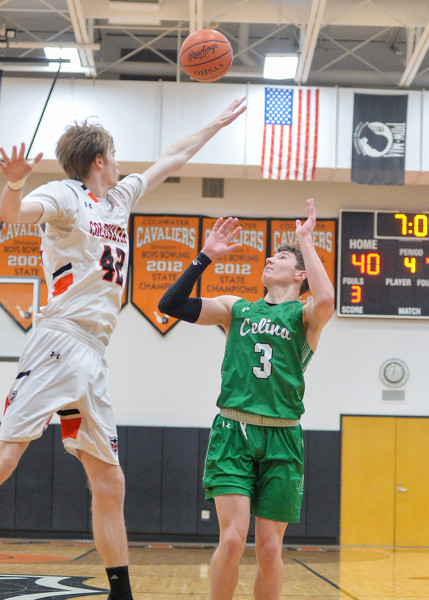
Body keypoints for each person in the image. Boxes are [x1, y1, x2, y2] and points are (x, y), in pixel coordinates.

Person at [0, 96, 246, 600]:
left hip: (94, 356)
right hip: (60, 340)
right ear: (98, 160)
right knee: (7, 456)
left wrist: (215, 124)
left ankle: (121, 593)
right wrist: (15, 180)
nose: (122, 161)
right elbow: (15, 214)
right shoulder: (66, 195)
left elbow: (174, 157)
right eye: (114, 152)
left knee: (110, 482)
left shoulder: (120, 198)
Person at [158, 198, 334, 600]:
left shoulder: (305, 316)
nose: (269, 260)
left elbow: (325, 301)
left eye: (280, 258)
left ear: (300, 273)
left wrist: (305, 238)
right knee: (233, 541)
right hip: (234, 431)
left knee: (270, 548)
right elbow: (170, 305)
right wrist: (204, 257)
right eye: (269, 256)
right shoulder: (235, 309)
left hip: (283, 436)